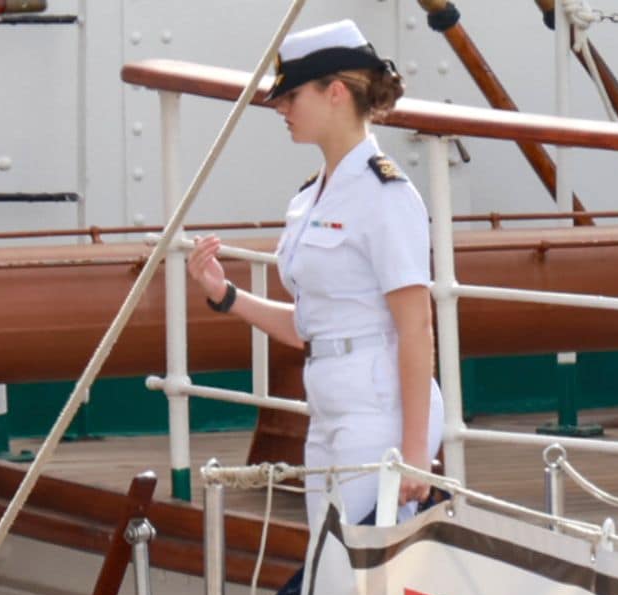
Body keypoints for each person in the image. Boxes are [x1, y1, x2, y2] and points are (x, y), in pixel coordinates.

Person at [188, 19, 444, 533]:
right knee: (332, 573)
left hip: (377, 412)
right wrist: (226, 295)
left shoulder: (386, 195)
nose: (281, 108)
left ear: (335, 93)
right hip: (328, 408)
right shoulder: (309, 198)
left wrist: (415, 452)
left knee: (365, 575)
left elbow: (415, 326)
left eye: (291, 95)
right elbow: (309, 325)